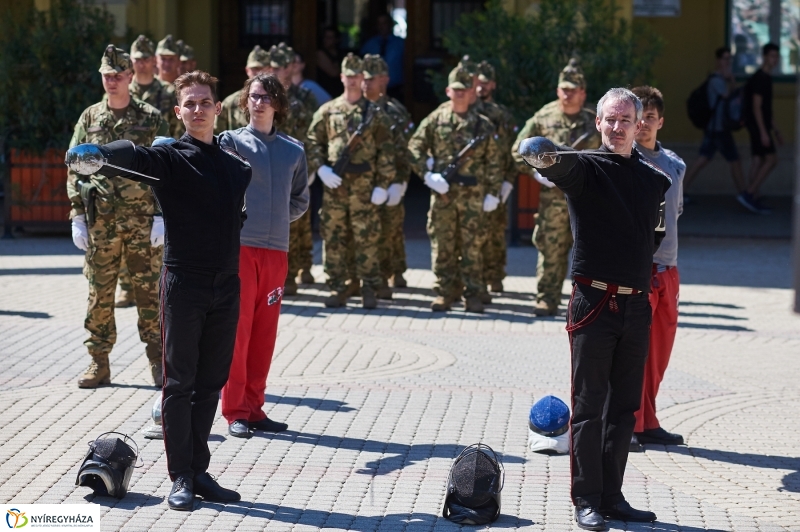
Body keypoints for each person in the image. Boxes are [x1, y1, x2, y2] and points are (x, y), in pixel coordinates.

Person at [66, 70, 251, 511]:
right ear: (178, 111)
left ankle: (200, 470)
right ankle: (181, 475)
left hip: (227, 285)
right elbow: (135, 156)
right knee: (179, 383)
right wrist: (99, 154)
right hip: (183, 283)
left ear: (217, 108)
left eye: (204, 102)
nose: (198, 110)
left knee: (211, 383)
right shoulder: (170, 158)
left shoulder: (237, 167)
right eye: (190, 103)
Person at [520, 87, 671, 530]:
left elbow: (654, 237)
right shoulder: (585, 168)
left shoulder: (655, 180)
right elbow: (547, 160)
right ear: (598, 122)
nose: (618, 127)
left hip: (636, 304)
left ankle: (612, 496)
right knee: (589, 406)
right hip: (595, 302)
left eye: (627, 120)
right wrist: (541, 155)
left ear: (639, 125)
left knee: (625, 408)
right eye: (611, 119)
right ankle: (586, 499)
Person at [66, 45, 167, 389]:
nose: (112, 81)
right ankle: (99, 362)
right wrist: (77, 215)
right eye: (107, 75)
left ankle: (159, 361)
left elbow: (166, 167)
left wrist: (161, 214)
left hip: (142, 221)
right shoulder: (90, 117)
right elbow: (73, 166)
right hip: (102, 223)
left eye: (118, 75)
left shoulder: (151, 117)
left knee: (149, 294)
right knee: (99, 294)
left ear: (129, 76)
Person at [219, 74, 309, 438]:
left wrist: (275, 217)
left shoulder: (294, 150)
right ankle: (235, 411)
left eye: (267, 97)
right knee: (238, 331)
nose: (259, 102)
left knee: (264, 334)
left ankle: (255, 408)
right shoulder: (230, 141)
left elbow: (300, 199)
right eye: (254, 96)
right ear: (245, 101)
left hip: (276, 252)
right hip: (240, 248)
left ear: (278, 104)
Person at [306, 53, 397, 309]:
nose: (354, 80)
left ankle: (369, 288)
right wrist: (321, 168)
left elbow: (387, 151)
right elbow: (312, 141)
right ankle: (337, 287)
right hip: (335, 186)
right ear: (342, 77)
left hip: (365, 187)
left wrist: (383, 184)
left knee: (367, 238)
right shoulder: (328, 110)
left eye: (358, 76)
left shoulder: (375, 113)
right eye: (349, 76)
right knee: (334, 238)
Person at [407, 65, 500, 313]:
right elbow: (413, 148)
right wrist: (427, 175)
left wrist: (493, 192)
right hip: (443, 196)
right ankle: (445, 292)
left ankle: (473, 294)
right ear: (448, 91)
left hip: (473, 196)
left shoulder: (482, 125)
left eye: (464, 90)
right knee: (443, 245)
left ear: (471, 92)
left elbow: (493, 161)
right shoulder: (435, 120)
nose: (460, 94)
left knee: (473, 246)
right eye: (455, 89)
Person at [511, 59, 600, 317]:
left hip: (586, 200)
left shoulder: (594, 121)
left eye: (573, 89)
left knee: (589, 254)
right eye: (564, 89)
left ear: (583, 93)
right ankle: (546, 299)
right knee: (550, 250)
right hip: (553, 200)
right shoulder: (544, 117)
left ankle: (587, 305)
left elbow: (610, 154)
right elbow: (518, 150)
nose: (567, 94)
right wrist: (536, 172)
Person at [631, 85, 686, 448]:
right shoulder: (623, 160)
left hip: (668, 269)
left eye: (651, 117)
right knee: (633, 352)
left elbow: (676, 211)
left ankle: (647, 420)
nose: (644, 124)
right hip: (638, 270)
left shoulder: (675, 165)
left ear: (660, 122)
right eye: (639, 117)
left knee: (659, 354)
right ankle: (627, 424)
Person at [264, 43, 317, 295]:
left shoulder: (303, 98)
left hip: (295, 166)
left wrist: (312, 167)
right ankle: (282, 274)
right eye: (273, 67)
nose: (278, 71)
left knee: (297, 221)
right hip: (268, 167)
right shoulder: (262, 98)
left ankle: (297, 268)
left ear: (292, 67)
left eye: (283, 66)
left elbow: (313, 135)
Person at [362, 54, 413, 295]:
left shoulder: (395, 112)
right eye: (363, 78)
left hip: (390, 180)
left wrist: (400, 182)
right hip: (361, 181)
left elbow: (407, 150)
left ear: (384, 80)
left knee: (389, 230)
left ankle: (389, 273)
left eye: (371, 79)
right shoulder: (355, 109)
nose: (366, 84)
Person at [681, 47, 746, 204]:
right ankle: (744, 194)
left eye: (729, 59)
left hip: (715, 128)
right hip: (718, 129)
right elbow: (728, 96)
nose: (727, 62)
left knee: (703, 159)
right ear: (718, 61)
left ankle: (679, 192)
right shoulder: (716, 80)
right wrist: (731, 80)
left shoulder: (719, 79)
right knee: (734, 160)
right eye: (725, 59)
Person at [475, 60, 517, 296]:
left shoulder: (501, 114)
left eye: (485, 82)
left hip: (496, 178)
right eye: (477, 82)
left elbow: (511, 149)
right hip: (472, 180)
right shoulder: (467, 110)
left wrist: (508, 180)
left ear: (493, 84)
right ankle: (475, 278)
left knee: (495, 232)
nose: (481, 87)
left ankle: (495, 275)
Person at [739, 42, 782, 214]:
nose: (775, 59)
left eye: (776, 56)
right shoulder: (760, 78)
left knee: (758, 160)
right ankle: (749, 193)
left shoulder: (766, 78)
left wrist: (776, 130)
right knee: (771, 159)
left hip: (759, 125)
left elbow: (766, 110)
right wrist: (764, 132)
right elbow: (756, 107)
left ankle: (753, 195)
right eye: (772, 56)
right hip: (757, 126)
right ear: (764, 57)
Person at [215, 45, 269, 134]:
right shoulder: (230, 103)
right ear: (247, 70)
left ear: (270, 70)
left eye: (262, 68)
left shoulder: (276, 102)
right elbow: (216, 134)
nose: (258, 73)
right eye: (254, 68)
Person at [359, 13, 405, 102]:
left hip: (396, 89)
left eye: (384, 23)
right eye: (379, 23)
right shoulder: (370, 44)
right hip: (374, 89)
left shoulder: (400, 44)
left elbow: (407, 65)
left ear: (390, 25)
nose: (381, 26)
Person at [316, 27, 343, 98]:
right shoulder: (320, 53)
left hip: (339, 91)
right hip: (325, 92)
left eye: (329, 38)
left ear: (336, 39)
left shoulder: (340, 54)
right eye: (325, 37)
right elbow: (334, 73)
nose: (326, 40)